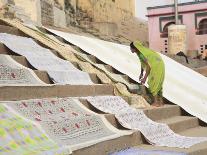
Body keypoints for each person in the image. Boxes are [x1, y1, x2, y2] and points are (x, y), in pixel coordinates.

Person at [130, 41, 165, 107]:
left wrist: (144, 78)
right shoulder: (141, 53)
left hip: (156, 66)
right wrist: (141, 73)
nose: (130, 49)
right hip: (159, 64)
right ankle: (160, 102)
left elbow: (148, 66)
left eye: (131, 48)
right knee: (158, 83)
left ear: (134, 48)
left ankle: (156, 102)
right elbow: (143, 63)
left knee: (153, 83)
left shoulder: (142, 54)